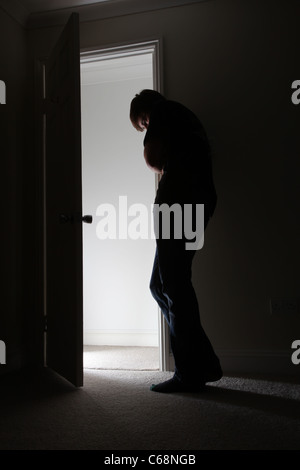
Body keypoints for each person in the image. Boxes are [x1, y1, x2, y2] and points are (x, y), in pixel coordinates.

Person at [130, 89, 222, 393]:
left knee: (173, 285)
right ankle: (203, 363)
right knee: (164, 285)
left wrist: (158, 160)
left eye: (142, 125)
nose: (145, 128)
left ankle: (189, 373)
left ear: (145, 113)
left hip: (179, 202)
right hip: (198, 202)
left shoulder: (163, 111)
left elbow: (153, 157)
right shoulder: (185, 117)